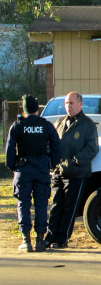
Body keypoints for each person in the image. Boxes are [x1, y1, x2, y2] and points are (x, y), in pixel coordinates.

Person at [5, 95, 61, 252]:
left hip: (23, 170)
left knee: (23, 203)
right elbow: (57, 147)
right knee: (41, 204)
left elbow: (10, 150)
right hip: (42, 169)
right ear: (37, 109)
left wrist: (13, 166)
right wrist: (52, 163)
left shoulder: (17, 126)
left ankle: (26, 240)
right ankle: (40, 241)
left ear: (23, 109)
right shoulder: (46, 126)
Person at [45, 92, 99, 249]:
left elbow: (92, 148)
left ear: (80, 104)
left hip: (76, 173)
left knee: (70, 208)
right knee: (56, 205)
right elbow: (52, 145)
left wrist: (74, 161)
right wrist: (53, 163)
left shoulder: (87, 124)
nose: (68, 106)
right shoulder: (60, 123)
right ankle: (50, 236)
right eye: (67, 103)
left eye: (71, 103)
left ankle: (62, 239)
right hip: (58, 171)